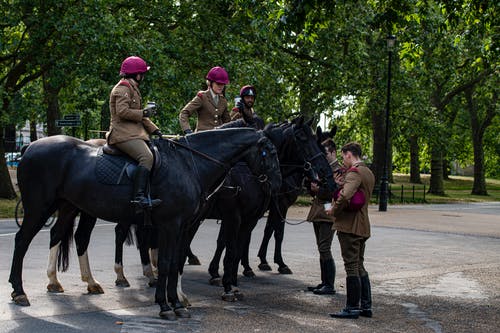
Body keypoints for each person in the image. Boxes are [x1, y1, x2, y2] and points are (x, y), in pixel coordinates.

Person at [106, 56, 163, 211]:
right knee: (146, 157)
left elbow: (141, 116)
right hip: (122, 134)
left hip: (134, 133)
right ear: (137, 74)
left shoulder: (133, 88)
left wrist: (155, 130)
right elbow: (122, 112)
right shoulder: (122, 88)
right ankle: (138, 198)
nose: (143, 76)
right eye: (142, 73)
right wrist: (144, 112)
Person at [327, 142, 375, 319]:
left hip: (350, 226)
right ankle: (365, 306)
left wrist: (334, 210)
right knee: (359, 264)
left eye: (343, 156)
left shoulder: (354, 173)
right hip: (362, 225)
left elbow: (346, 196)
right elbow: (357, 195)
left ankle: (352, 307)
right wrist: (340, 186)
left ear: (349, 154)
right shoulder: (368, 172)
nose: (343, 160)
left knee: (351, 267)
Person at [305, 139, 341, 295]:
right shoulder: (322, 168)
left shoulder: (339, 170)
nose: (323, 156)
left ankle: (330, 284)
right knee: (321, 248)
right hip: (318, 212)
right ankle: (324, 281)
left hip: (328, 214)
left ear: (333, 152)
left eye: (325, 153)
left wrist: (318, 189)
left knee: (325, 248)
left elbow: (333, 192)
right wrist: (313, 188)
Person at [179, 66, 231, 133]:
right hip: (202, 136)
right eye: (218, 83)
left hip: (218, 137)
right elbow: (184, 113)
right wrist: (187, 130)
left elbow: (228, 122)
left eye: (223, 84)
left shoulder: (223, 101)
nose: (221, 86)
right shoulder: (202, 97)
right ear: (210, 83)